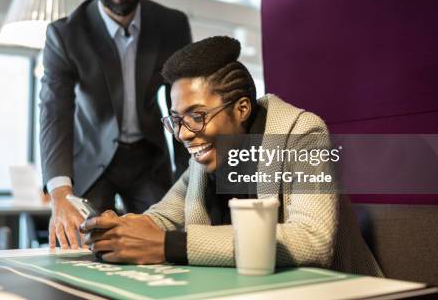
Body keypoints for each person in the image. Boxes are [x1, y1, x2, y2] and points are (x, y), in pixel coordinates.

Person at [82, 36, 382, 276]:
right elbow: (161, 219)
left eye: (196, 116)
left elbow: (312, 240)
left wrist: (170, 246)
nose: (183, 133)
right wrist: (119, 229)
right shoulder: (206, 155)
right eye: (175, 120)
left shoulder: (304, 134)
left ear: (241, 109)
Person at [39, 0, 192, 250]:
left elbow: (183, 99)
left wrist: (190, 172)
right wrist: (60, 192)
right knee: (84, 247)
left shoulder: (172, 24)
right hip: (92, 162)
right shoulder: (66, 34)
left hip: (149, 160)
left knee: (164, 241)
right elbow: (56, 111)